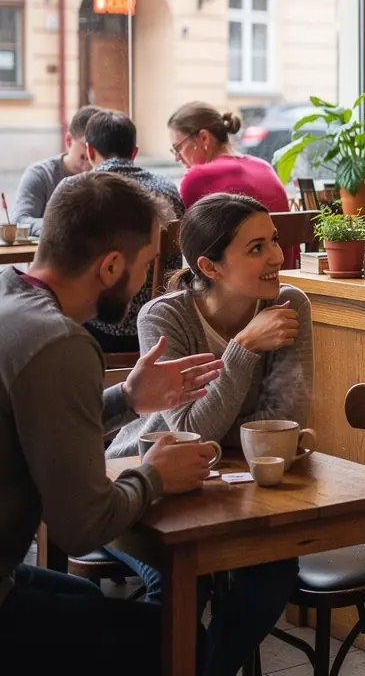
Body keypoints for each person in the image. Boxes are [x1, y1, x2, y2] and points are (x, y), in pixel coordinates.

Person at [0, 171, 224, 675]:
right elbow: (82, 527)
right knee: (175, 638)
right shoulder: (60, 341)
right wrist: (155, 474)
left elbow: (33, 425)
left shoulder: (10, 296)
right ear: (111, 266)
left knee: (82, 595)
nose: (147, 282)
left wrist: (126, 398)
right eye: (146, 265)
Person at [108, 193, 313, 676]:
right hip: (139, 484)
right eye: (257, 247)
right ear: (210, 266)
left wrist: (239, 433)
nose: (278, 257)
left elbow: (284, 419)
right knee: (183, 583)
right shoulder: (163, 318)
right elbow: (191, 431)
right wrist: (242, 348)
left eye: (276, 241)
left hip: (234, 493)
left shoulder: (289, 305)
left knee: (272, 575)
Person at [68, 109, 185, 352]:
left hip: (96, 325)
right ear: (134, 153)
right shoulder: (168, 189)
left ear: (89, 151)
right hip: (159, 322)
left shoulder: (78, 190)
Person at [168, 101, 297, 267]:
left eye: (178, 147)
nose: (177, 157)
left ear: (204, 138)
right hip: (285, 279)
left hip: (239, 285)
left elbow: (189, 248)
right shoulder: (264, 166)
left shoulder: (197, 177)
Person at [11, 105, 101, 236]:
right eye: (86, 145)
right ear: (69, 140)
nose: (91, 152)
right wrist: (64, 227)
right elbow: (19, 222)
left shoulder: (106, 176)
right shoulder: (40, 175)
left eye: (97, 146)